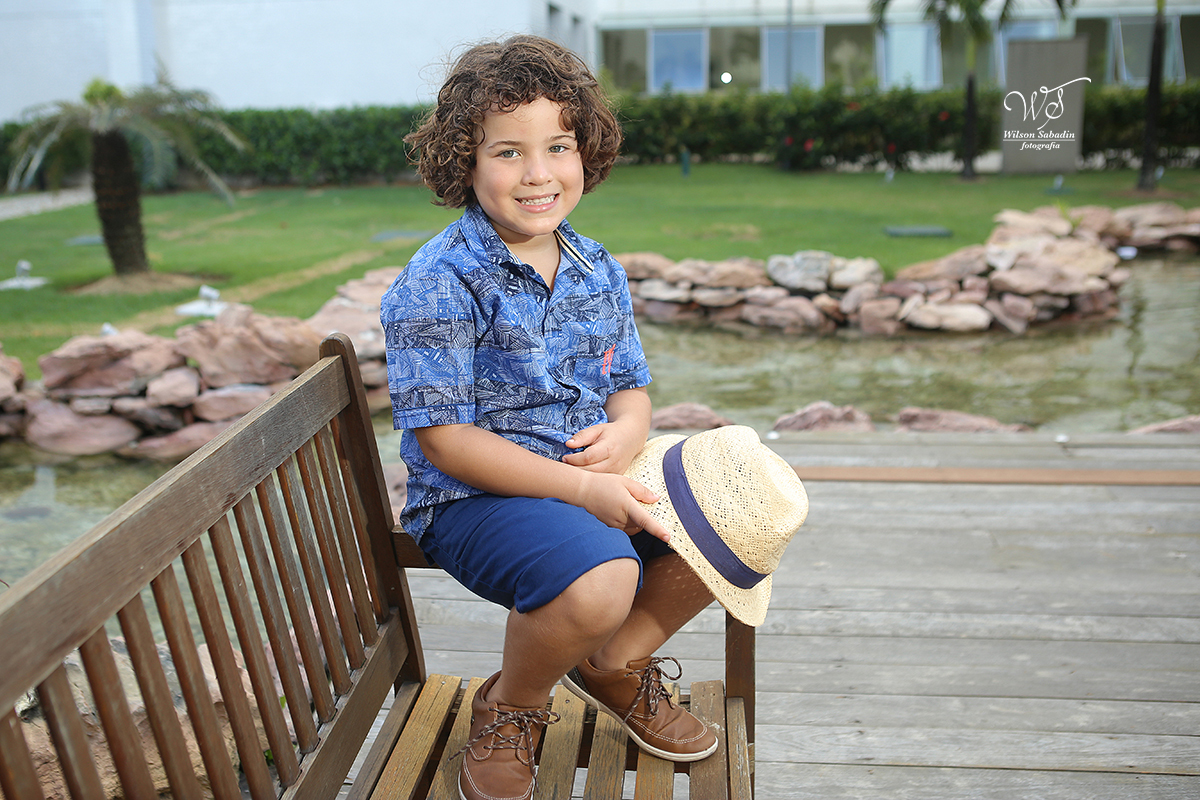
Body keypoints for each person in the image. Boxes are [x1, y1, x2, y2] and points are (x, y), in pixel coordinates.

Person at [381, 34, 719, 800]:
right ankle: (512, 707)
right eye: (507, 152)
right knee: (601, 581)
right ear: (464, 162)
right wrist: (584, 494)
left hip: (588, 481)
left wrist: (628, 435)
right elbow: (445, 439)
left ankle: (614, 664)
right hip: (475, 499)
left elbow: (631, 388)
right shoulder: (438, 281)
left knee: (742, 507)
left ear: (585, 151)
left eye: (558, 146)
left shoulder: (597, 267)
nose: (538, 174)